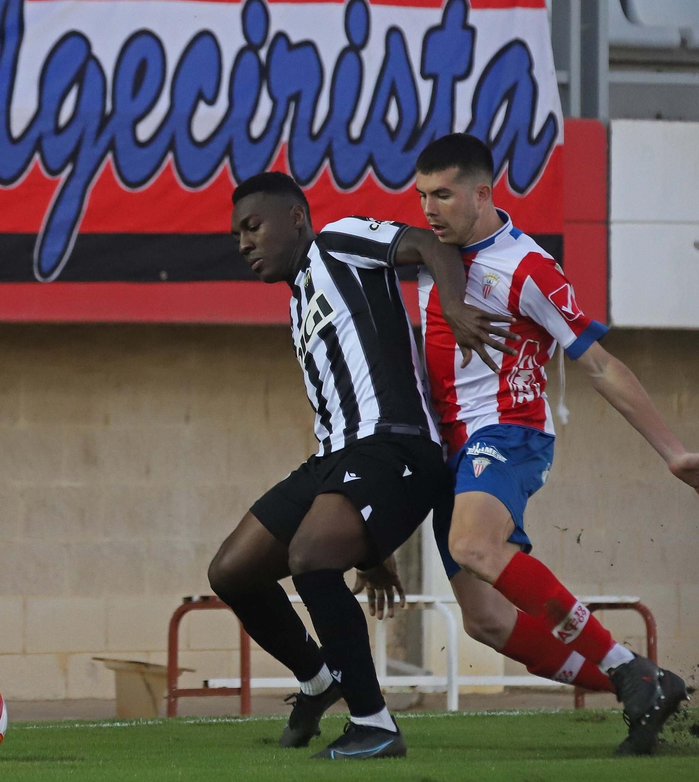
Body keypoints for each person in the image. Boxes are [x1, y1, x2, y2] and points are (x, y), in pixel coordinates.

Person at [356, 133, 699, 757]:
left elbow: (601, 365)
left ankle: (628, 667)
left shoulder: (528, 268)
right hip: (448, 447)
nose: (428, 209)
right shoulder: (425, 253)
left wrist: (672, 452)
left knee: (473, 544)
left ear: (483, 193)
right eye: (421, 195)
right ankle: (635, 677)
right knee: (486, 623)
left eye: (443, 195)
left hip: (509, 431)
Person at [206, 172, 514, 760]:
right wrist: (373, 550)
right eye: (236, 234)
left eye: (253, 227)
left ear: (295, 217)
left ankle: (374, 725)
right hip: (339, 457)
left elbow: (426, 244)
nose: (244, 243)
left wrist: (453, 306)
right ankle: (319, 682)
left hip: (397, 447)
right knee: (232, 572)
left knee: (310, 558)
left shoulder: (339, 241)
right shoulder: (299, 304)